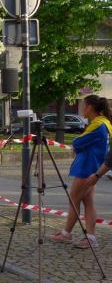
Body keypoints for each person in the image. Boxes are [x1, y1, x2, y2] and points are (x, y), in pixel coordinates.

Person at [50, 95, 112, 249]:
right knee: (88, 202)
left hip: (87, 167)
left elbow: (77, 142)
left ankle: (67, 234)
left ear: (89, 107)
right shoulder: (104, 123)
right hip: (93, 167)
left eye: (84, 105)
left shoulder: (98, 125)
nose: (83, 108)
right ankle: (90, 237)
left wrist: (77, 144)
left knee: (74, 199)